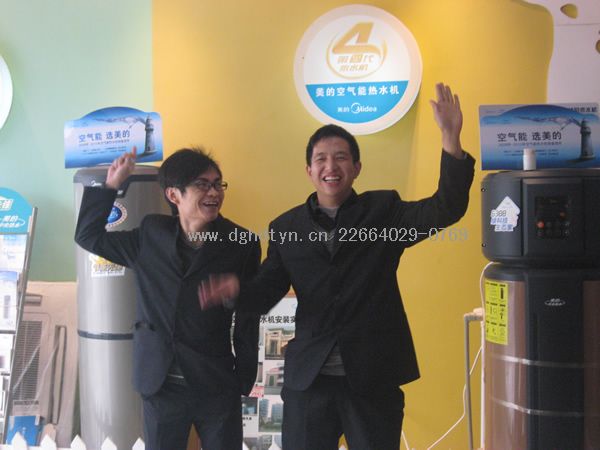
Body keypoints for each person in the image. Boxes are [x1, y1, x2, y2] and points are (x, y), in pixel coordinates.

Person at [200, 82, 475, 450]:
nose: (331, 166)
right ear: (309, 170)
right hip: (309, 382)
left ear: (357, 167)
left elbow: (445, 208)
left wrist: (450, 138)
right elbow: (266, 290)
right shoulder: (287, 228)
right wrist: (236, 292)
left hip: (372, 378)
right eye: (321, 159)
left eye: (341, 157)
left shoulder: (384, 213)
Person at [75, 147, 261, 450]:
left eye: (218, 184)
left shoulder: (241, 244)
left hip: (216, 382)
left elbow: (249, 315)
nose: (214, 192)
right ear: (174, 195)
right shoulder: (151, 234)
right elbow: (88, 236)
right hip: (160, 383)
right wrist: (111, 186)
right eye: (202, 185)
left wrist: (243, 377)